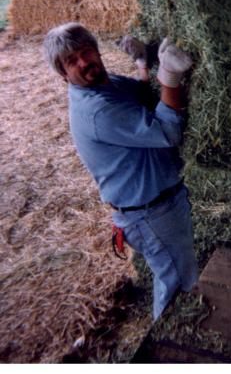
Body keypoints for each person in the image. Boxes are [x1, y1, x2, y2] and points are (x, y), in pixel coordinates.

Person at [43, 22, 198, 321]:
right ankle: (167, 349)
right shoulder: (96, 111)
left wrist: (143, 63)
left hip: (157, 205)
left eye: (86, 52)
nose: (84, 62)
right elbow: (168, 132)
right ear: (63, 75)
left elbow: (141, 94)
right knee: (177, 286)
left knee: (177, 276)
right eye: (71, 62)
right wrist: (170, 77)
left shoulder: (105, 83)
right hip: (151, 214)